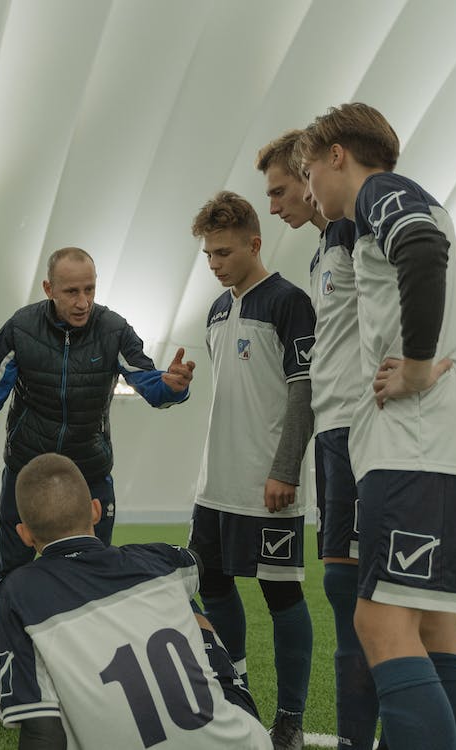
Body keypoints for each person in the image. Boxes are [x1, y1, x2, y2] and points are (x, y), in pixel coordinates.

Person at [296, 103, 456, 750]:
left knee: (379, 625)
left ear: (337, 155)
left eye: (307, 169)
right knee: (433, 627)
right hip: (442, 446)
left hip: (413, 448)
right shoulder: (421, 205)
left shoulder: (384, 193)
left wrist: (417, 366)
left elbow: (421, 250)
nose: (309, 187)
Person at [0, 246, 195, 720]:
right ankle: (4, 686)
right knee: (13, 578)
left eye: (89, 289)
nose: (82, 301)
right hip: (28, 476)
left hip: (89, 477)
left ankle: (87, 688)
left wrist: (174, 387)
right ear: (49, 291)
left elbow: (150, 385)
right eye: (71, 291)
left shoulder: (113, 328)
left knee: (94, 579)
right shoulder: (21, 329)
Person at [0, 453, 272, 750]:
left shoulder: (19, 592)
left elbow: (43, 734)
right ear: (96, 511)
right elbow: (196, 565)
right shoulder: (161, 560)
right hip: (241, 742)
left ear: (25, 535)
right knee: (185, 600)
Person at [258, 132, 376, 749]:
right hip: (335, 438)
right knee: (342, 591)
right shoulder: (325, 247)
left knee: (376, 603)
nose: (278, 204)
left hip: (363, 436)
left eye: (282, 188)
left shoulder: (363, 228)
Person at [188, 191, 316, 750]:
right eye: (208, 255)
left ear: (254, 244)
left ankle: (289, 717)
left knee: (280, 596)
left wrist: (285, 469)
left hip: (269, 484)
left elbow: (304, 391)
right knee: (212, 587)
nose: (214, 264)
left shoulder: (290, 302)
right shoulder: (216, 310)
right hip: (213, 485)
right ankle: (236, 694)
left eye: (223, 253)